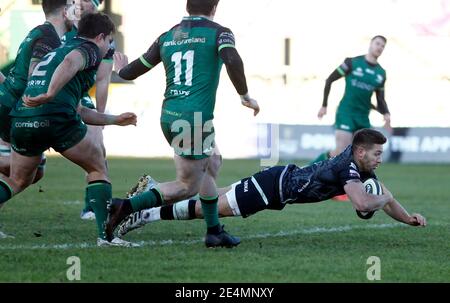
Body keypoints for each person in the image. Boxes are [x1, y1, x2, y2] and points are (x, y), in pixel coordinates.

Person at [105, 0, 260, 248]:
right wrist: (244, 96)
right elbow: (231, 59)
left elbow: (134, 69)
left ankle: (214, 232)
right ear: (215, 7)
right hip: (193, 118)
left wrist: (121, 71)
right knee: (187, 187)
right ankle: (125, 206)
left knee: (212, 162)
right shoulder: (220, 32)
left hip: (172, 114)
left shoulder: (167, 36)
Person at [117, 128, 426, 238]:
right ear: (361, 152)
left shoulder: (360, 164)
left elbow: (385, 195)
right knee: (205, 210)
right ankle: (143, 214)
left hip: (275, 183)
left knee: (206, 194)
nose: (379, 159)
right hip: (270, 189)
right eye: (376, 153)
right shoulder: (349, 169)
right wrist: (382, 201)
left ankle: (153, 190)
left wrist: (408, 218)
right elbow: (362, 203)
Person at [0, 13, 137, 247]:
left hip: (23, 117)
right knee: (97, 166)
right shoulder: (89, 49)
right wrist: (51, 93)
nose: (108, 48)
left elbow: (79, 109)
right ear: (100, 37)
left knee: (19, 180)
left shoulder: (58, 49)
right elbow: (71, 61)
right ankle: (107, 237)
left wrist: (114, 119)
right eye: (109, 42)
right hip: (53, 116)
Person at [0, 0, 73, 182]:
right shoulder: (49, 37)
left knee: (33, 171)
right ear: (65, 11)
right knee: (25, 171)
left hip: (11, 103)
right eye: (73, 5)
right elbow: (35, 74)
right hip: (14, 108)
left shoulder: (39, 31)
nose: (77, 10)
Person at [312, 35, 392, 201]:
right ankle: (311, 171)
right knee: (340, 151)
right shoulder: (352, 63)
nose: (379, 47)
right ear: (371, 44)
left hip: (363, 117)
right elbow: (329, 80)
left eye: (383, 46)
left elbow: (380, 100)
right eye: (377, 43)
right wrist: (324, 105)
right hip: (346, 113)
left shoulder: (381, 73)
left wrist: (386, 114)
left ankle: (361, 186)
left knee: (367, 153)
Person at [63, 0, 115, 221]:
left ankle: (92, 207)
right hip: (54, 95)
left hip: (79, 96)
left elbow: (102, 80)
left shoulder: (104, 35)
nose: (80, 3)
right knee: (25, 169)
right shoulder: (61, 26)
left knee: (97, 150)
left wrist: (100, 117)